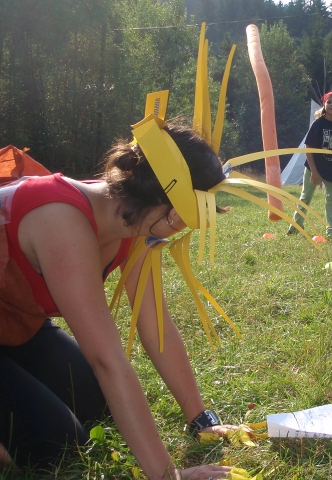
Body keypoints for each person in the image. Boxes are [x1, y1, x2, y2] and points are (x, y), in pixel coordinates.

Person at [0, 123, 251, 479]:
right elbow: (106, 360)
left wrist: (200, 419)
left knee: (95, 403)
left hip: (18, 328)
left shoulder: (136, 222)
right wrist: (168, 475)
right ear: (174, 208)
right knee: (54, 443)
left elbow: (156, 324)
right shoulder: (61, 219)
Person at [287, 91, 332, 237]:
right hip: (314, 167)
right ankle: (295, 227)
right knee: (305, 197)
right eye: (329, 102)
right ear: (324, 104)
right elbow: (308, 147)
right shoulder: (318, 124)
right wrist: (314, 171)